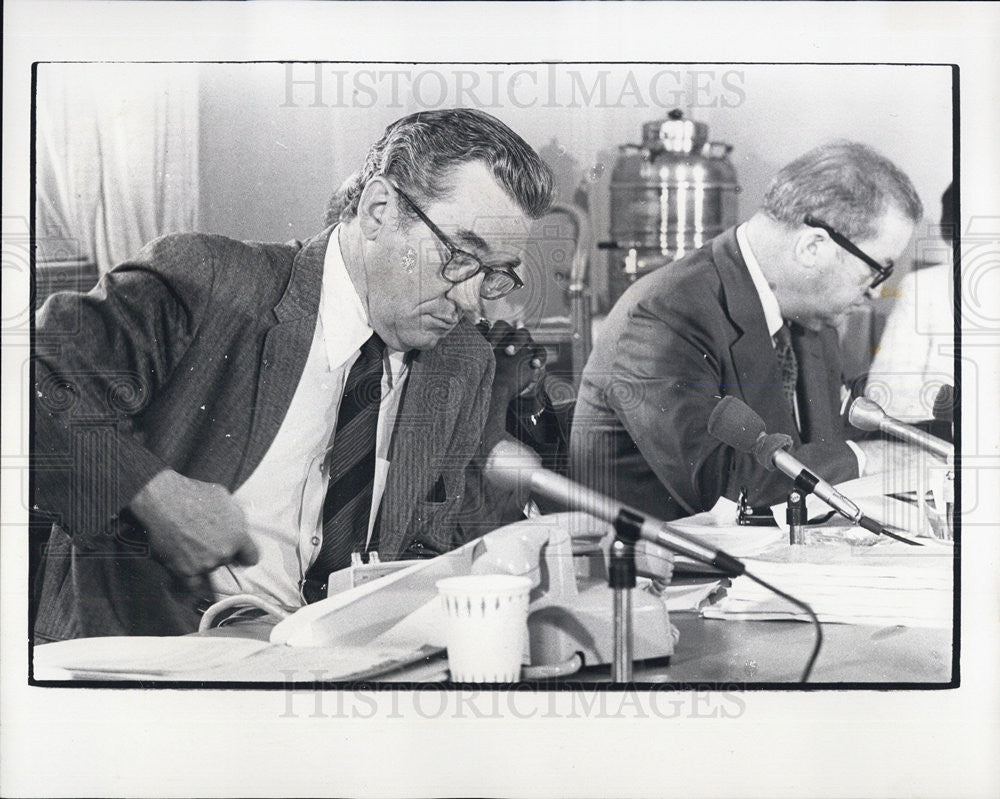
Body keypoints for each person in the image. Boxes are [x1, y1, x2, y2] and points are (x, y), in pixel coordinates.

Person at [32, 108, 555, 640]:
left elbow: (432, 547)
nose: (472, 302)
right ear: (378, 210)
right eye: (460, 256)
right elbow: (29, 381)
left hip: (335, 671)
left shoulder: (462, 360)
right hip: (141, 663)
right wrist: (153, 493)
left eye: (494, 274)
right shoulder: (209, 281)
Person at [570, 141, 926, 521]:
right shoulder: (665, 313)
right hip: (657, 569)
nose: (875, 291)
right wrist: (869, 457)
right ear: (813, 247)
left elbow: (821, 449)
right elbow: (726, 489)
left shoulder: (809, 315)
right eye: (878, 270)